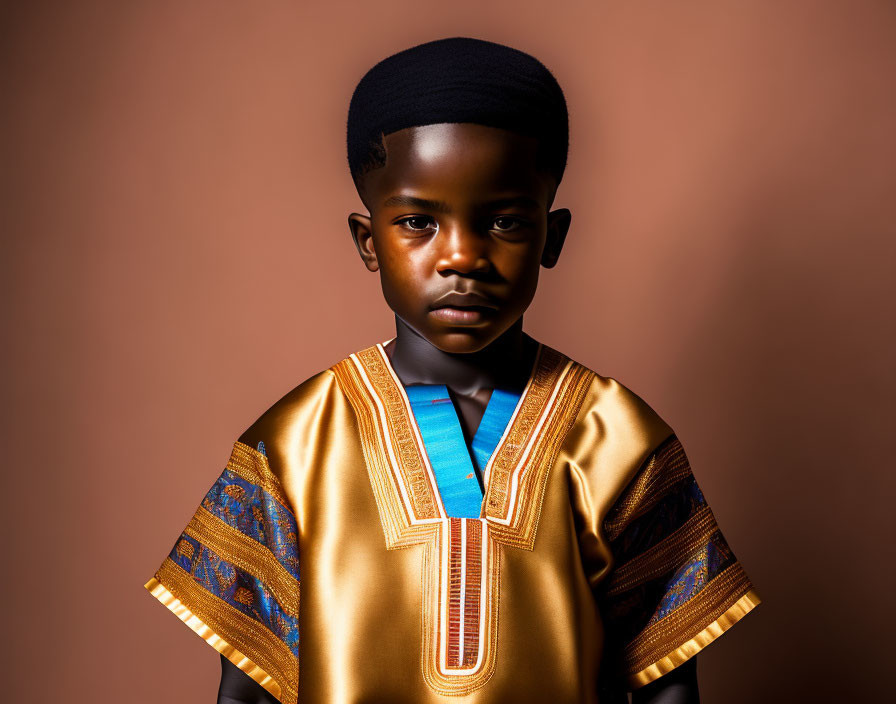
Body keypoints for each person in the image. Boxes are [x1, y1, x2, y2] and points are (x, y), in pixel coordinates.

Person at [144, 37, 759, 704]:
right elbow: (246, 693)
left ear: (551, 237)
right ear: (367, 240)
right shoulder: (292, 447)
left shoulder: (621, 443)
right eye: (417, 221)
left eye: (503, 221)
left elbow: (670, 690)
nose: (462, 256)